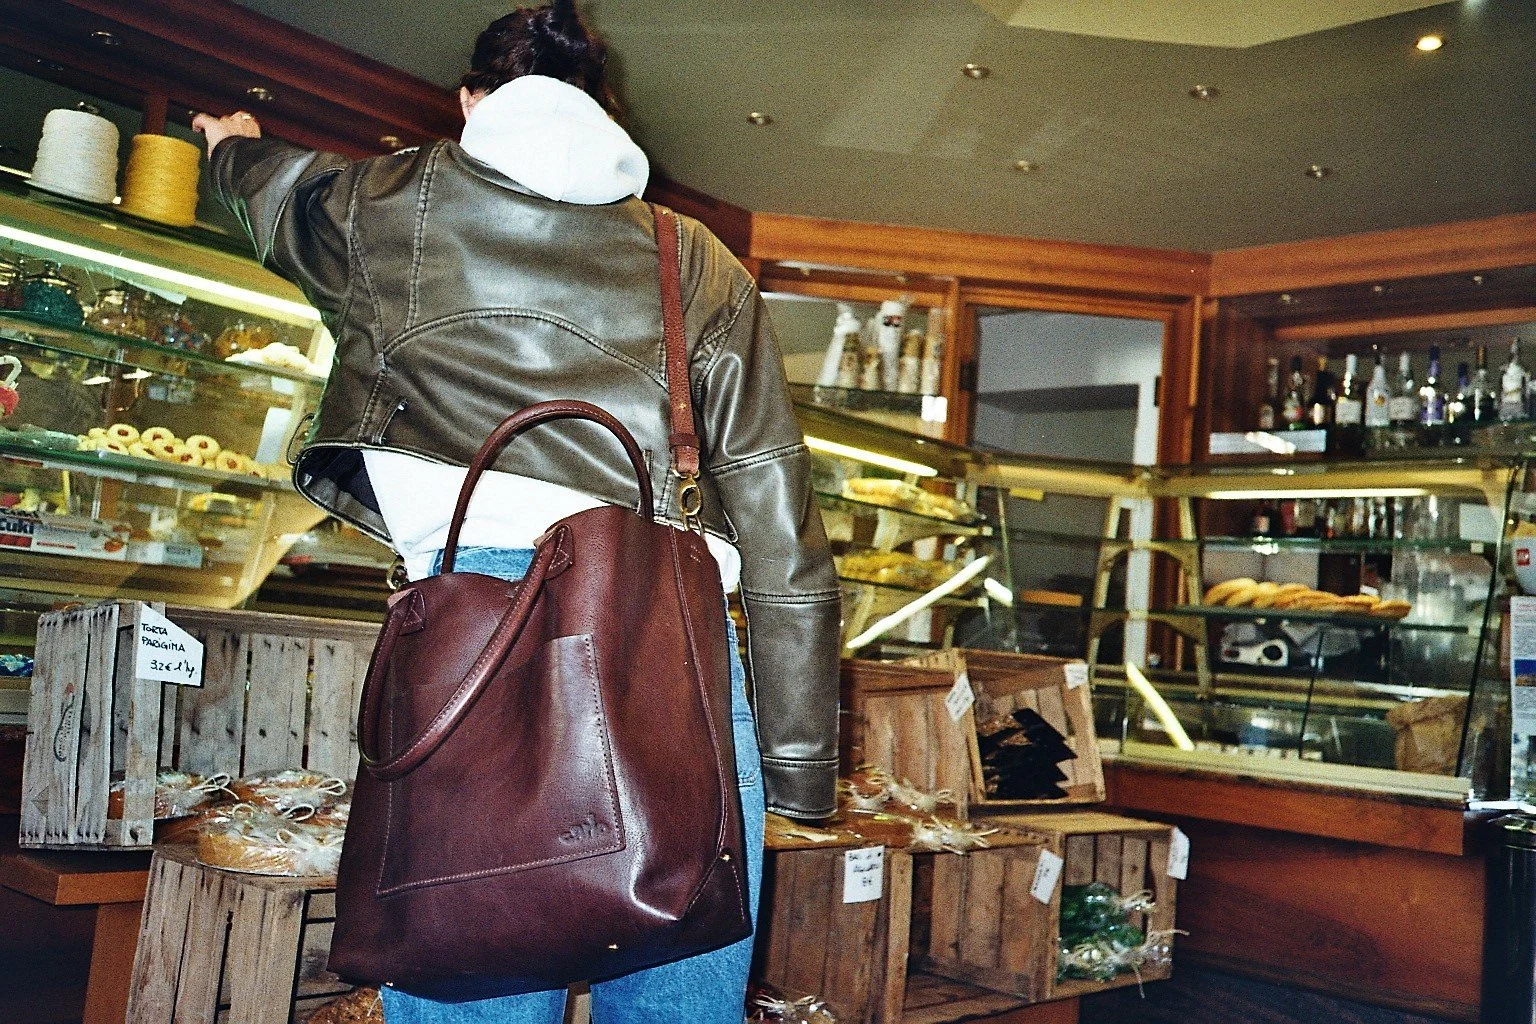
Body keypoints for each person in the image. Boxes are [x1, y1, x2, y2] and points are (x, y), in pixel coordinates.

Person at [194, 2, 840, 1020]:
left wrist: (230, 152)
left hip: (464, 642)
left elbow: (269, 197)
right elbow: (783, 539)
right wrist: (799, 770)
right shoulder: (699, 261)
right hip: (671, 659)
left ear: (469, 102)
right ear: (605, 108)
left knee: (468, 978)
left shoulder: (383, 200)